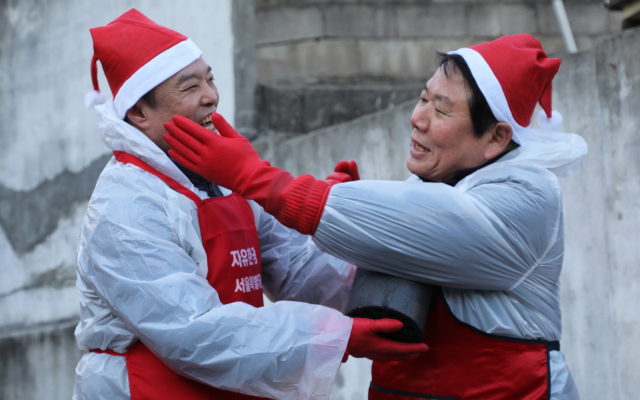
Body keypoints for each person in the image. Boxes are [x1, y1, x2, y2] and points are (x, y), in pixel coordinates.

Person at [165, 33, 588, 399]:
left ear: (496, 137)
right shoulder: (436, 182)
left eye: (440, 110)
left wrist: (257, 178)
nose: (417, 118)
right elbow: (352, 279)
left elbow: (433, 229)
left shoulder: (526, 198)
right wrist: (346, 219)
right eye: (422, 98)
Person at [74, 9, 427, 400]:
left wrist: (352, 238)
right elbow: (193, 333)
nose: (211, 96)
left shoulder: (220, 178)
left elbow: (296, 267)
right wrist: (335, 336)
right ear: (139, 114)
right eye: (190, 87)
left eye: (210, 79)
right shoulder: (125, 205)